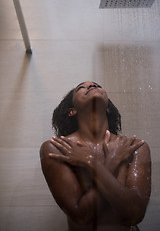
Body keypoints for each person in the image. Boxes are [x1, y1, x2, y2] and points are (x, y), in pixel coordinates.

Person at [40, 81, 151, 231]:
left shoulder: (134, 148)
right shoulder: (57, 149)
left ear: (107, 108)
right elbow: (81, 216)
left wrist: (91, 163)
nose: (92, 86)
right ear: (71, 110)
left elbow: (135, 214)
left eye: (97, 85)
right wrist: (112, 162)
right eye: (82, 87)